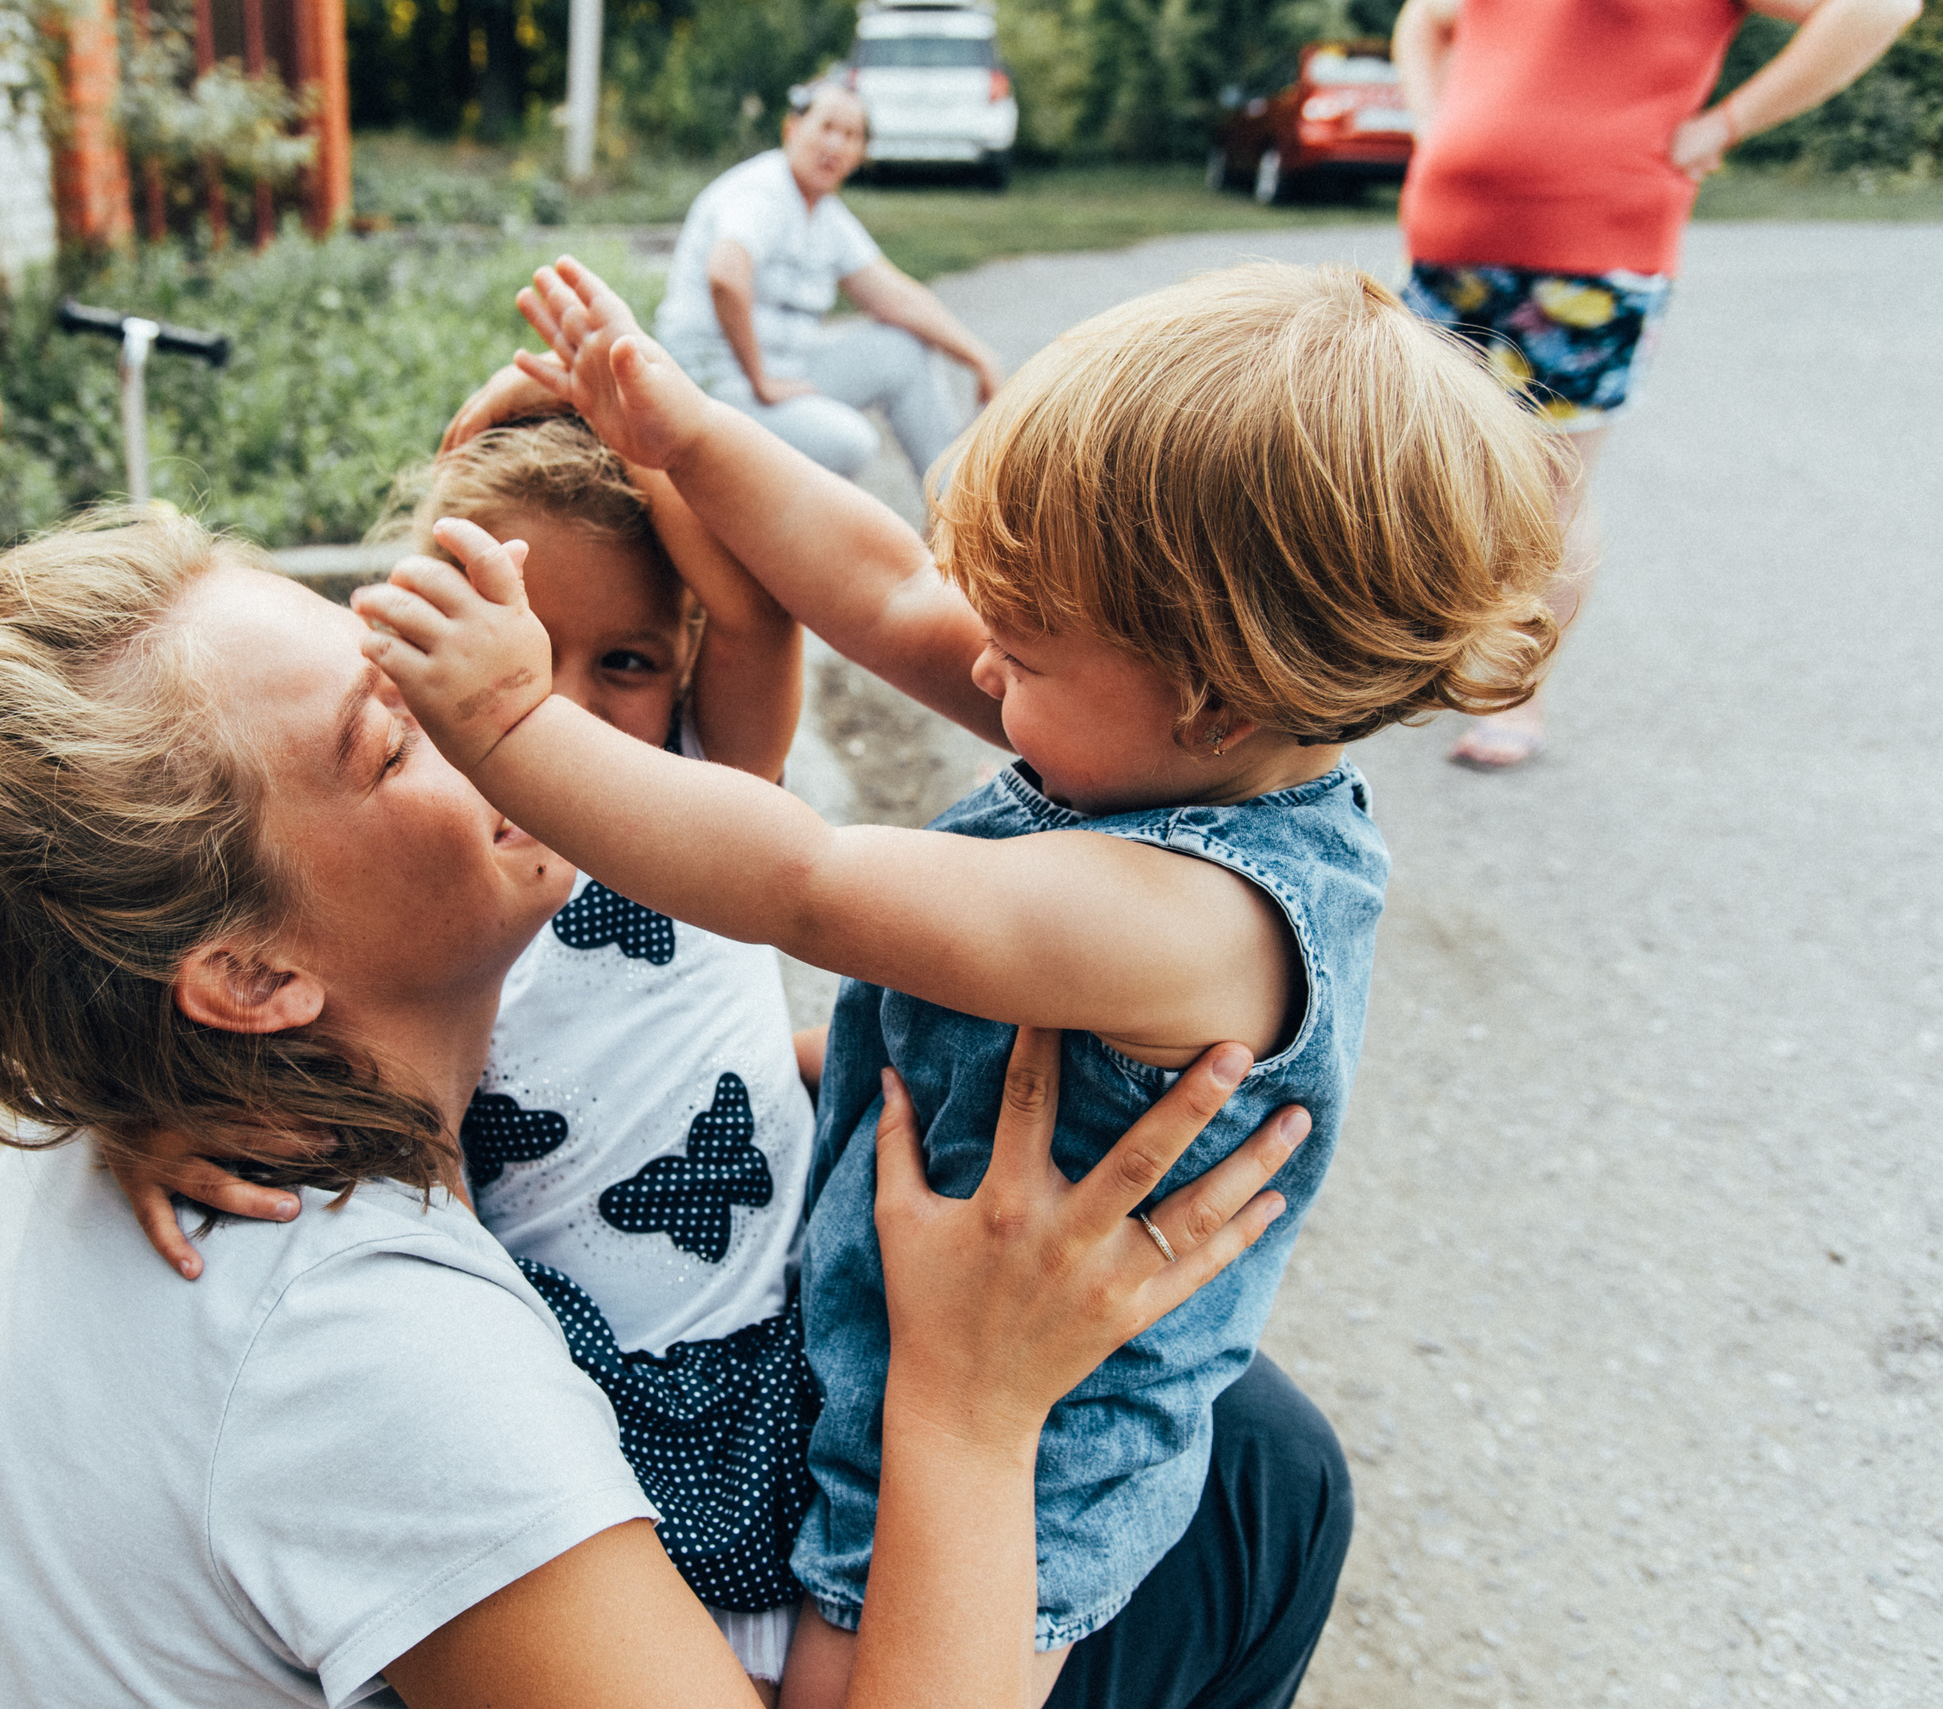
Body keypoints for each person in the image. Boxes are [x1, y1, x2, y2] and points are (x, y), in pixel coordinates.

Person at [352, 255, 1563, 1708]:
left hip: (1051, 1440)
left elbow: (808, 879)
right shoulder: (1153, 728)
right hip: (913, 1298)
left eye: (1029, 642)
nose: (979, 659)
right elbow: (876, 585)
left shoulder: (1198, 919)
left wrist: (504, 719)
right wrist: (685, 437)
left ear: (1217, 692)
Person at [0, 508, 1334, 1709]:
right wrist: (972, 1404)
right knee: (1261, 1492)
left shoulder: (146, 1080)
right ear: (250, 977)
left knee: (1246, 1443)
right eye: (396, 739)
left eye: (408, 649)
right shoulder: (371, 1352)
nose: (518, 718)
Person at [143, 412, 823, 1696]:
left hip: (770, 1330)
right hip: (569, 1385)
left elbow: (753, 616)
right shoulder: (423, 871)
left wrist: (634, 426)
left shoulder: (706, 797)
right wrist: (149, 1122)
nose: (546, 705)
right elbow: (245, 1018)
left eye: (620, 659)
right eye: (508, 649)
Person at [1391, 0, 1922, 769]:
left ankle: (1514, 689)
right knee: (1428, 470)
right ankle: (1429, 658)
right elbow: (1424, 18)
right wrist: (1430, 124)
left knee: (1548, 487)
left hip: (1592, 249)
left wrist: (1725, 124)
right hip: (1446, 235)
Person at [651, 83, 1002, 482]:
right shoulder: (761, 192)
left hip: (782, 371)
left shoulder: (825, 214)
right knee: (850, 441)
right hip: (716, 384)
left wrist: (979, 357)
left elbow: (896, 297)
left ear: (860, 155)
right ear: (792, 130)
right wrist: (761, 380)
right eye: (827, 127)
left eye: (851, 136)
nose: (836, 144)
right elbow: (725, 276)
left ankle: (952, 507)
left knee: (901, 351)